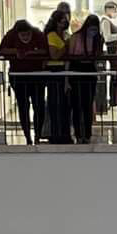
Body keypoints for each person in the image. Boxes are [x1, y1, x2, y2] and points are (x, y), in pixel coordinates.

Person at [0, 20, 48, 144]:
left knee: (39, 106)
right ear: (17, 33)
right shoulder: (11, 35)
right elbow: (1, 50)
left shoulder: (37, 34)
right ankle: (28, 137)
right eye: (22, 35)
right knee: (23, 106)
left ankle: (37, 135)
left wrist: (30, 52)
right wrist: (16, 51)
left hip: (37, 76)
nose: (25, 37)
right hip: (18, 77)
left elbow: (45, 50)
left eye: (27, 34)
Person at [68, 13, 103, 142]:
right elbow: (70, 57)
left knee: (88, 104)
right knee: (77, 104)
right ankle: (78, 134)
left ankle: (87, 134)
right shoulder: (76, 37)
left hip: (90, 71)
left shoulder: (98, 39)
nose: (93, 31)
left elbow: (97, 55)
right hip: (76, 70)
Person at [45, 8, 72, 143]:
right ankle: (56, 134)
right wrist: (66, 46)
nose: (64, 23)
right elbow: (54, 55)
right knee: (55, 104)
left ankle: (65, 133)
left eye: (65, 21)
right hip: (55, 72)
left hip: (65, 71)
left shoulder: (65, 34)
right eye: (61, 21)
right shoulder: (52, 36)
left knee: (65, 105)